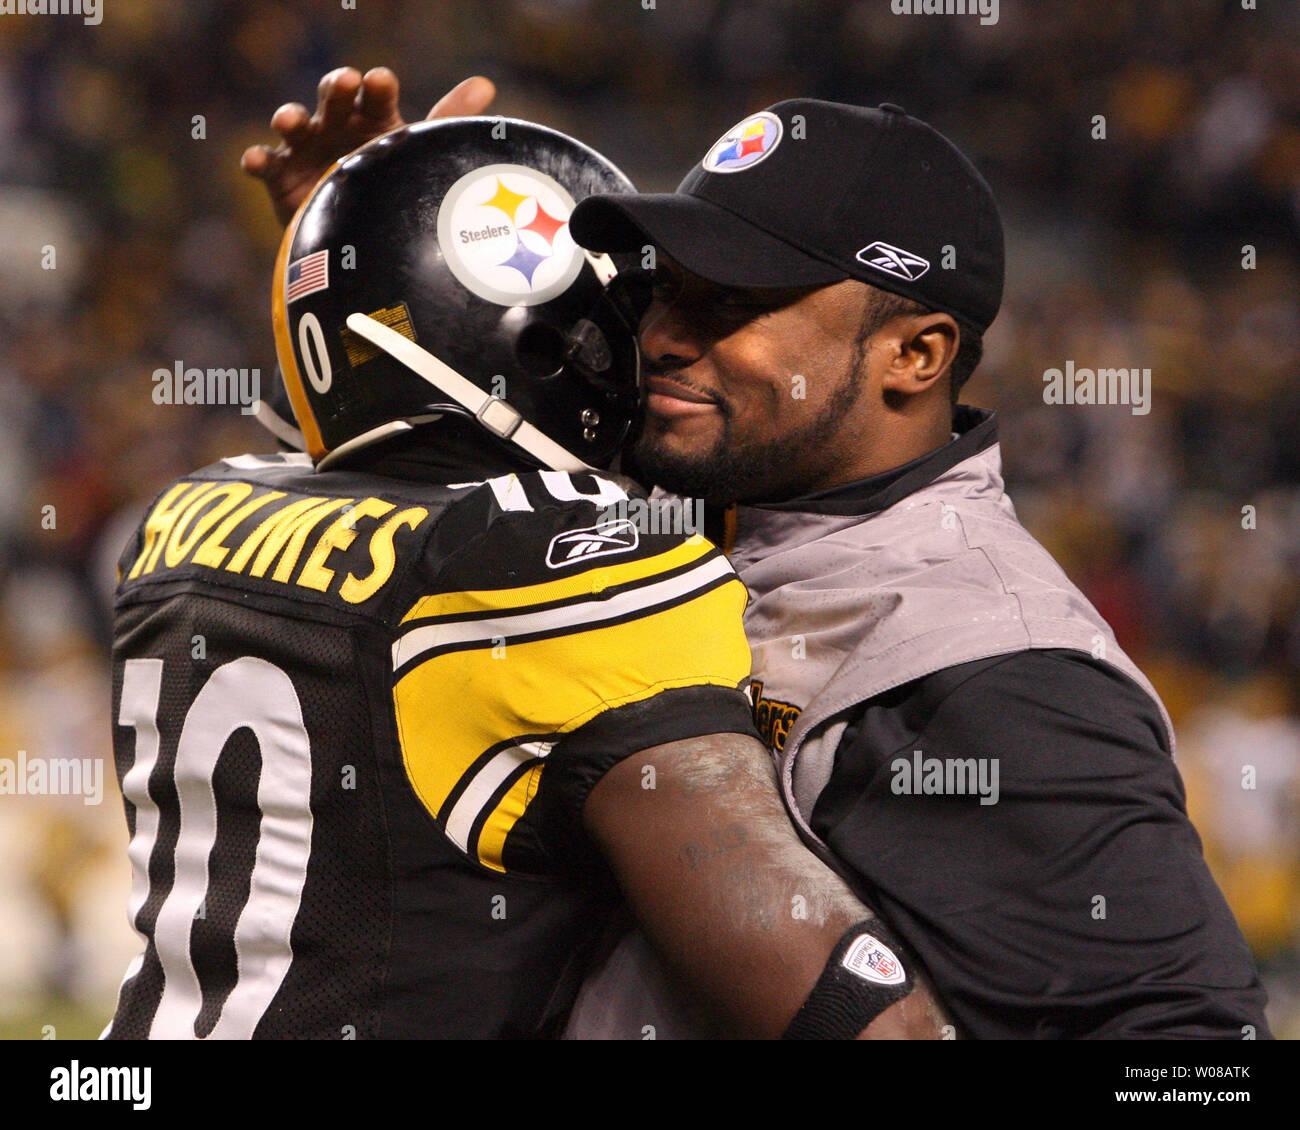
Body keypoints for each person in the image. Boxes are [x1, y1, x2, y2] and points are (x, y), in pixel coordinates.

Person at [243, 69, 1269, 1038]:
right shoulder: (682, 501)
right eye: (662, 288)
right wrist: (378, 265)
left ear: (915, 354)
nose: (662, 336)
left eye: (730, 303)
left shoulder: (985, 663)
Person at [105, 107, 944, 1040]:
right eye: (630, 322)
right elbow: (857, 1013)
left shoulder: (187, 515)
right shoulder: (539, 559)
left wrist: (359, 252)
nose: (653, 354)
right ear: (551, 349)